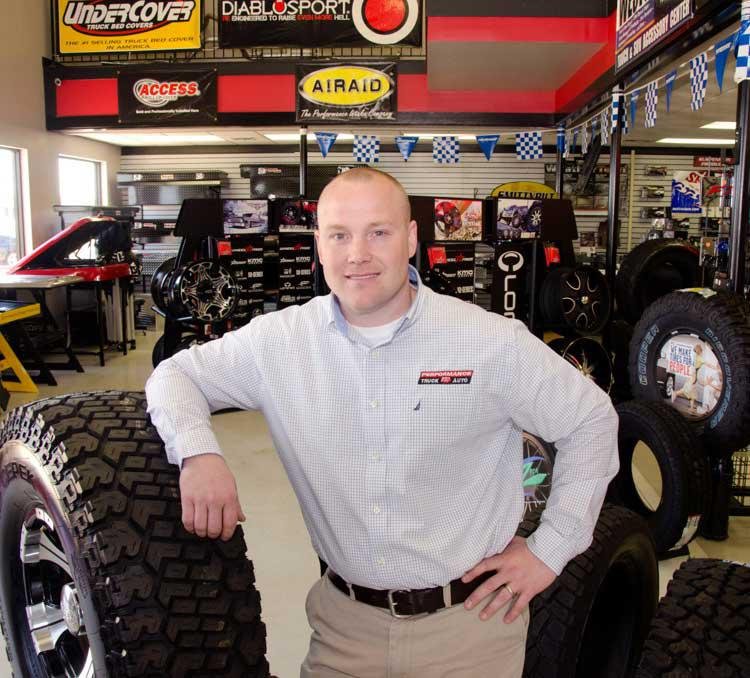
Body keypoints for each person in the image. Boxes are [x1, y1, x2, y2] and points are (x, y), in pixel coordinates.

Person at [145, 168, 619, 678]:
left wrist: (550, 550)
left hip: (471, 629)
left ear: (410, 239)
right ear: (319, 246)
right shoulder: (280, 342)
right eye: (339, 235)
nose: (357, 254)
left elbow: (591, 421)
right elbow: (175, 375)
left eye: (378, 232)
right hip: (343, 632)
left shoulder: (488, 341)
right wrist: (199, 454)